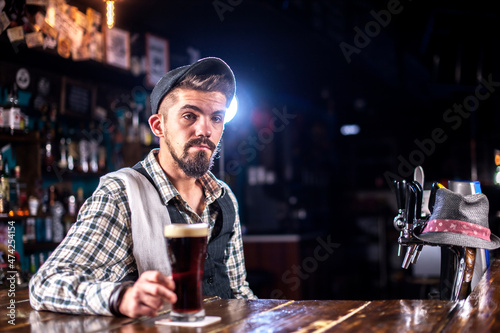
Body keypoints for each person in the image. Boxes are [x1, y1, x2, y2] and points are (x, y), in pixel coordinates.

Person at [29, 57, 256, 318]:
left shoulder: (224, 197)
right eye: (189, 116)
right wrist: (120, 297)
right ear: (158, 126)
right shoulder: (121, 193)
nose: (205, 129)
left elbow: (240, 294)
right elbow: (46, 284)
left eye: (216, 118)